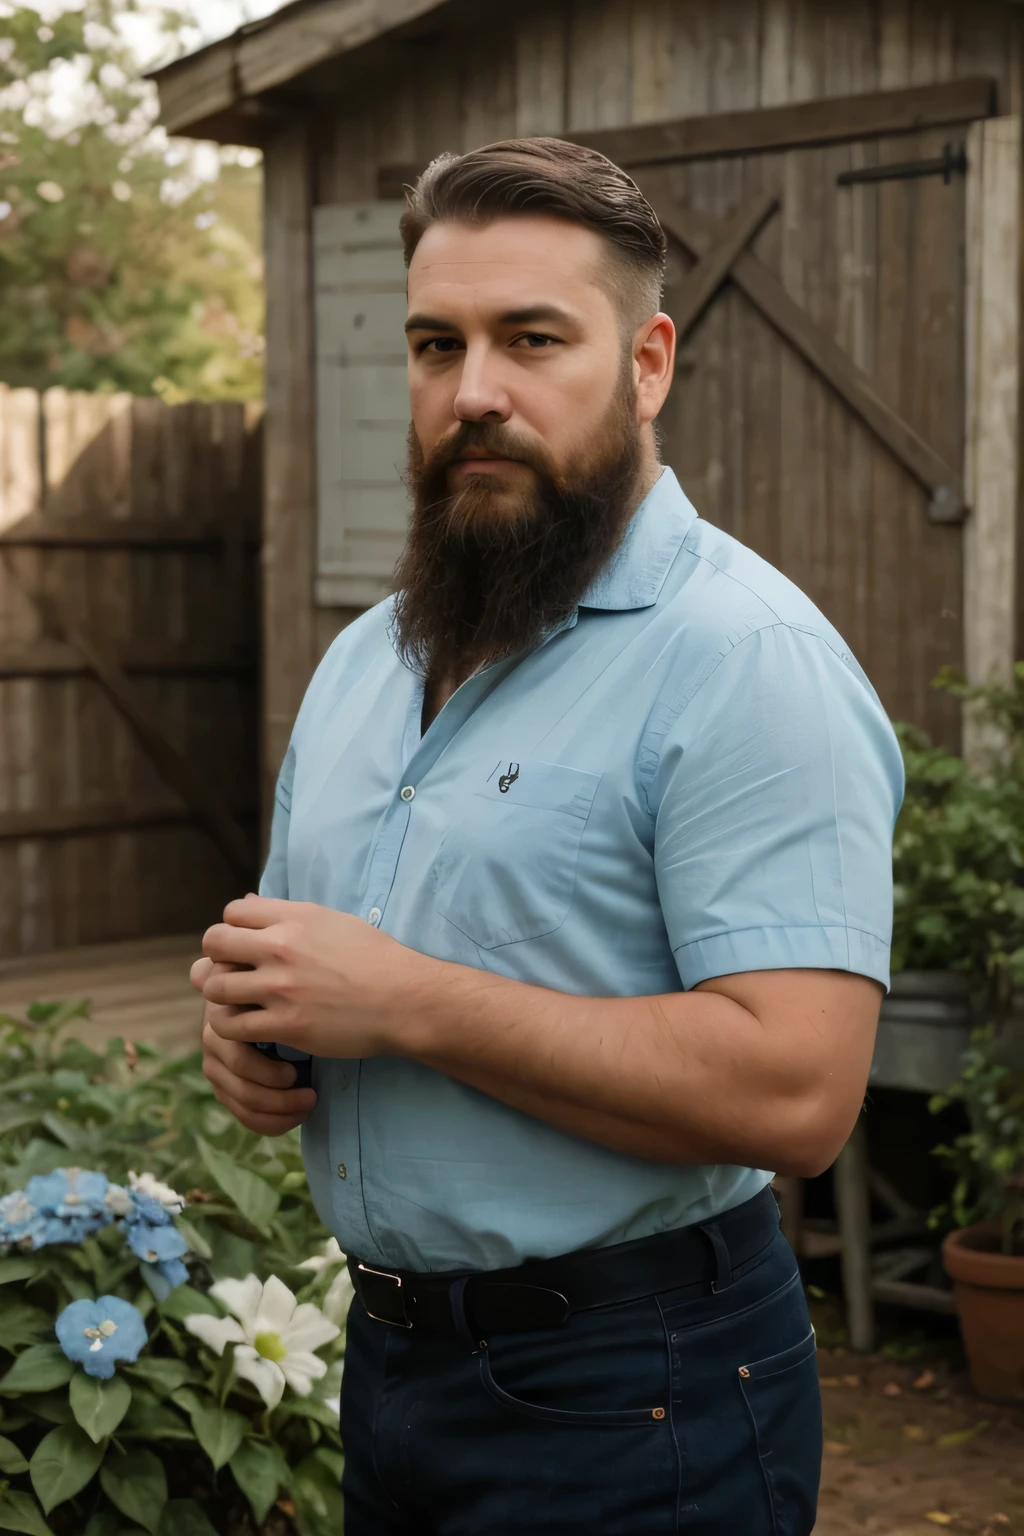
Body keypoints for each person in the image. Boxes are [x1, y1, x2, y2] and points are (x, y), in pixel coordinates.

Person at [191, 137, 903, 1535]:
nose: (475, 394)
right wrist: (254, 1033)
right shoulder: (363, 664)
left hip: (640, 1394)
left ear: (646, 363)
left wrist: (406, 1006)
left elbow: (798, 1096)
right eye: (434, 344)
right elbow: (306, 962)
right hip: (393, 1367)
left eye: (531, 340)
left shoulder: (743, 661)